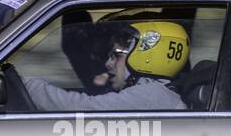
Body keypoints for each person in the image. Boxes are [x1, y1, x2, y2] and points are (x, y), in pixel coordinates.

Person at [23, 21, 191, 112]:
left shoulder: (152, 96)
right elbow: (77, 51)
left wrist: (26, 86)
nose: (108, 63)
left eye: (117, 55)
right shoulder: (159, 94)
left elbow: (78, 109)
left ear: (145, 58)